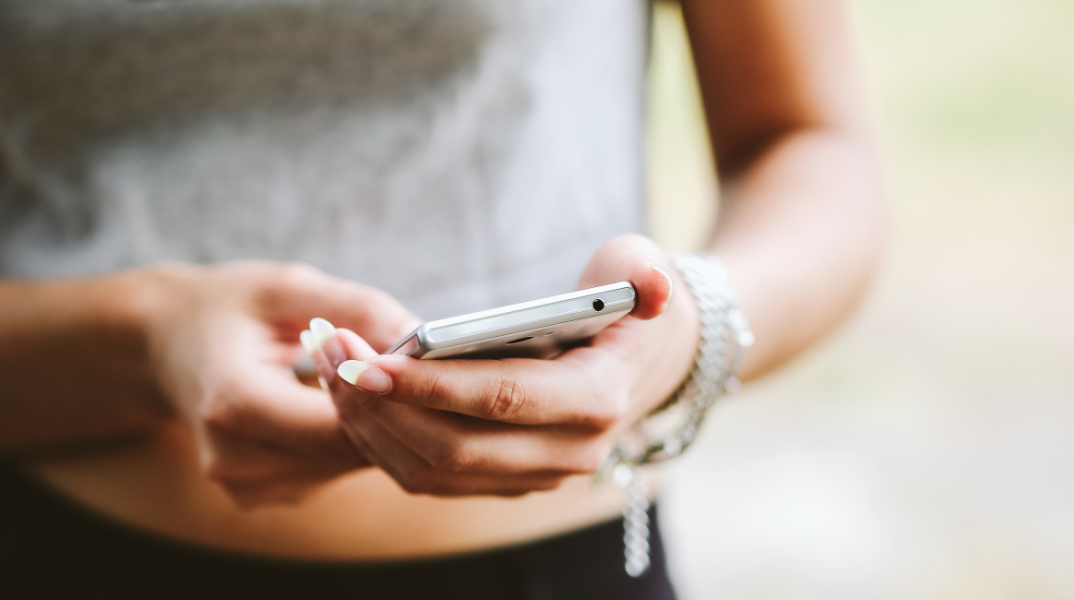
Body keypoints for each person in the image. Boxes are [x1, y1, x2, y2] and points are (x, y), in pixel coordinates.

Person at [0, 0, 882, 597]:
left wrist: (688, 330)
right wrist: (143, 341)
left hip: (553, 571)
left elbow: (808, 143)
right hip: (61, 549)